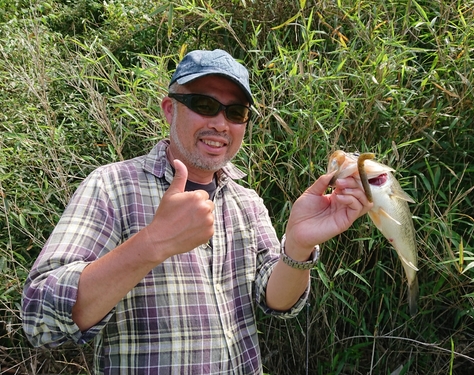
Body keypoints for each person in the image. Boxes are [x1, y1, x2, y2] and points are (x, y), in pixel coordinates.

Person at [22, 49, 372, 375]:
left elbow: (276, 302)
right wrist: (150, 244)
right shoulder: (111, 186)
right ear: (169, 109)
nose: (221, 123)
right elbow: (42, 320)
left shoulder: (246, 201)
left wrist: (296, 246)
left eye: (235, 112)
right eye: (204, 104)